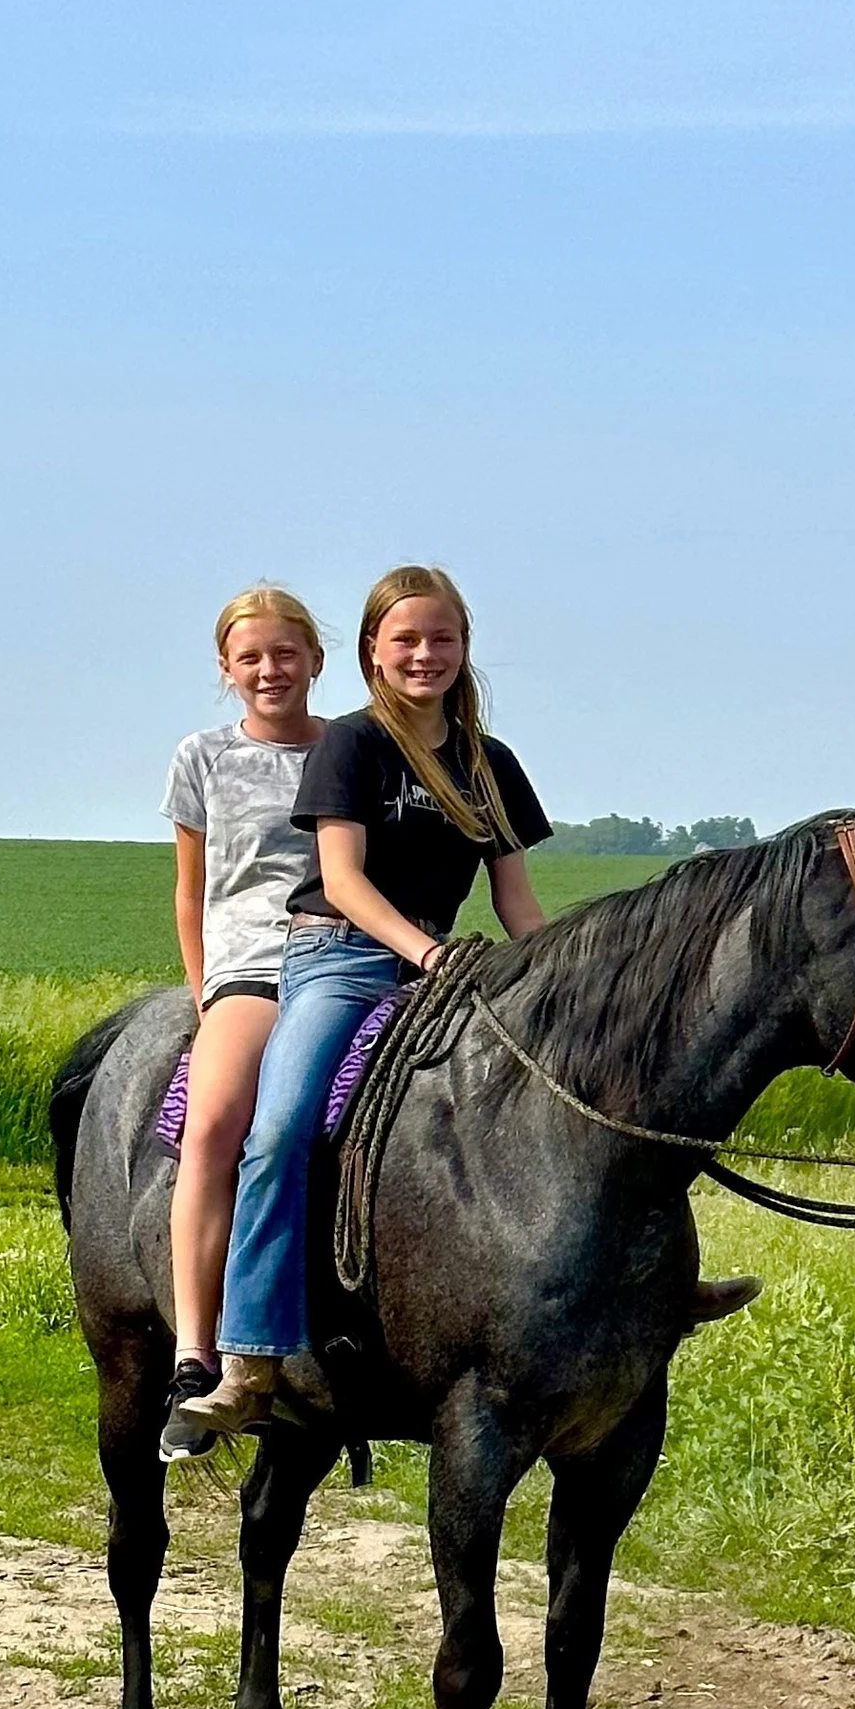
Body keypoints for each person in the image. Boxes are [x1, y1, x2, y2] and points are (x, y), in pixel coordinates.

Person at [173, 565, 553, 1440]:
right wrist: (422, 949)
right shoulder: (353, 744)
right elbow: (340, 881)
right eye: (406, 640)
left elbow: (516, 902)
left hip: (446, 964)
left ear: (464, 649)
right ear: (372, 653)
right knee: (279, 1131)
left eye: (442, 639)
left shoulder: (490, 766)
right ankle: (250, 1362)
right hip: (341, 956)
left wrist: (556, 983)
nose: (426, 655)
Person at [157, 586, 329, 1461]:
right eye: (252, 657)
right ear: (228, 671)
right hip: (253, 961)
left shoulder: (351, 748)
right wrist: (207, 991)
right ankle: (196, 1349)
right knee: (216, 1125)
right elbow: (192, 887)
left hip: (344, 946)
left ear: (317, 661)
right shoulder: (204, 757)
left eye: (286, 653)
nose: (271, 670)